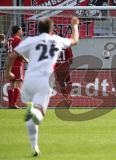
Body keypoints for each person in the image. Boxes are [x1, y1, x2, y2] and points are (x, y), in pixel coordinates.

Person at [5, 16, 79, 156]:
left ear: (38, 29)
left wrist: (8, 71)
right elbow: (74, 40)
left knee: (31, 112)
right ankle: (34, 113)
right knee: (39, 113)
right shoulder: (56, 40)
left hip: (29, 80)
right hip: (44, 81)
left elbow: (11, 56)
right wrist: (75, 25)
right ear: (51, 29)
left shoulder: (31, 40)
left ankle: (34, 147)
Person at [6, 26, 28, 109]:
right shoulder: (18, 40)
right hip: (17, 64)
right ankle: (13, 104)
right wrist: (26, 59)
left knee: (11, 84)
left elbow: (8, 53)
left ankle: (10, 104)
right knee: (18, 83)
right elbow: (19, 53)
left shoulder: (9, 40)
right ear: (18, 30)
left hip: (9, 64)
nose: (22, 31)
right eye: (21, 29)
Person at [54, 40, 73, 106]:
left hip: (57, 68)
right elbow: (71, 58)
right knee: (69, 82)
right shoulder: (67, 46)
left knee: (62, 84)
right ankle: (68, 96)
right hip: (65, 66)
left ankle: (66, 98)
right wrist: (68, 64)